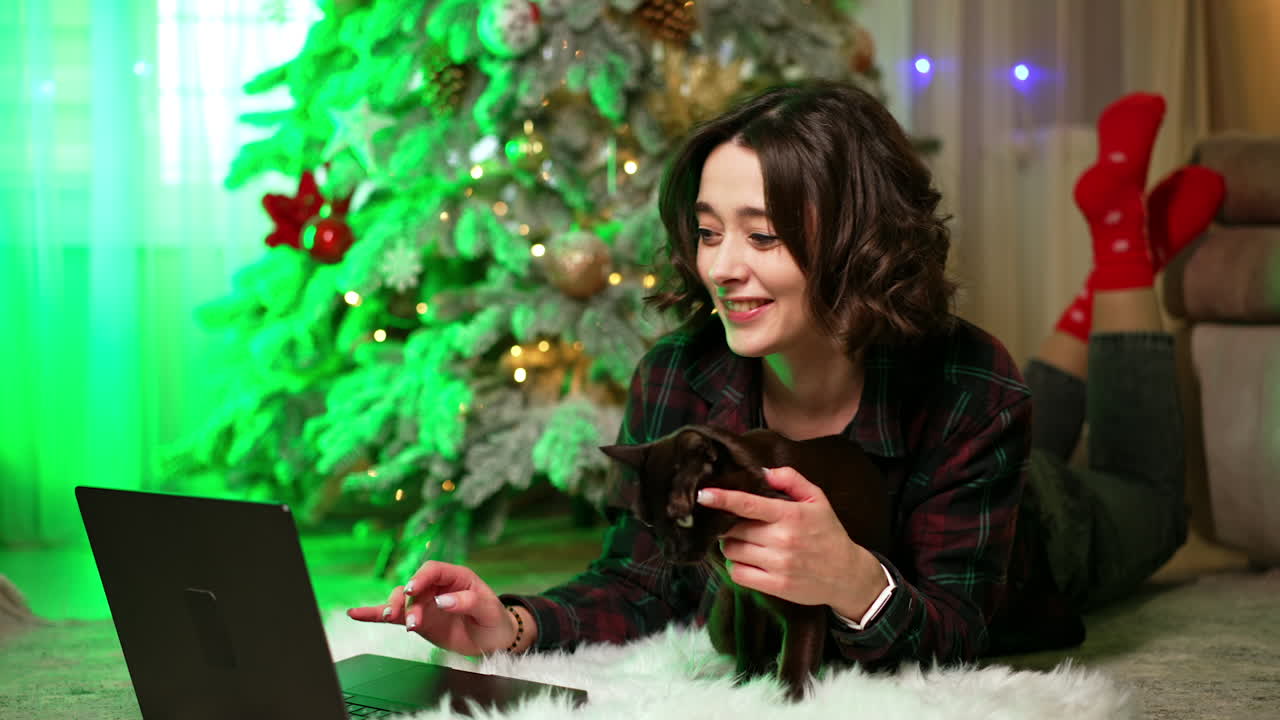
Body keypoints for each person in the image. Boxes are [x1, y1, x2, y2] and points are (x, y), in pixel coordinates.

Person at [347, 83, 1223, 667]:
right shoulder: (681, 376)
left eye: (762, 236)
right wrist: (515, 623)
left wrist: (852, 581)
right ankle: (1107, 284)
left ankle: (1120, 252)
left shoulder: (969, 384)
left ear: (858, 240)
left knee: (1150, 495)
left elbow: (962, 629)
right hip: (985, 443)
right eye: (707, 230)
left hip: (1042, 526)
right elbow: (643, 579)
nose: (723, 266)